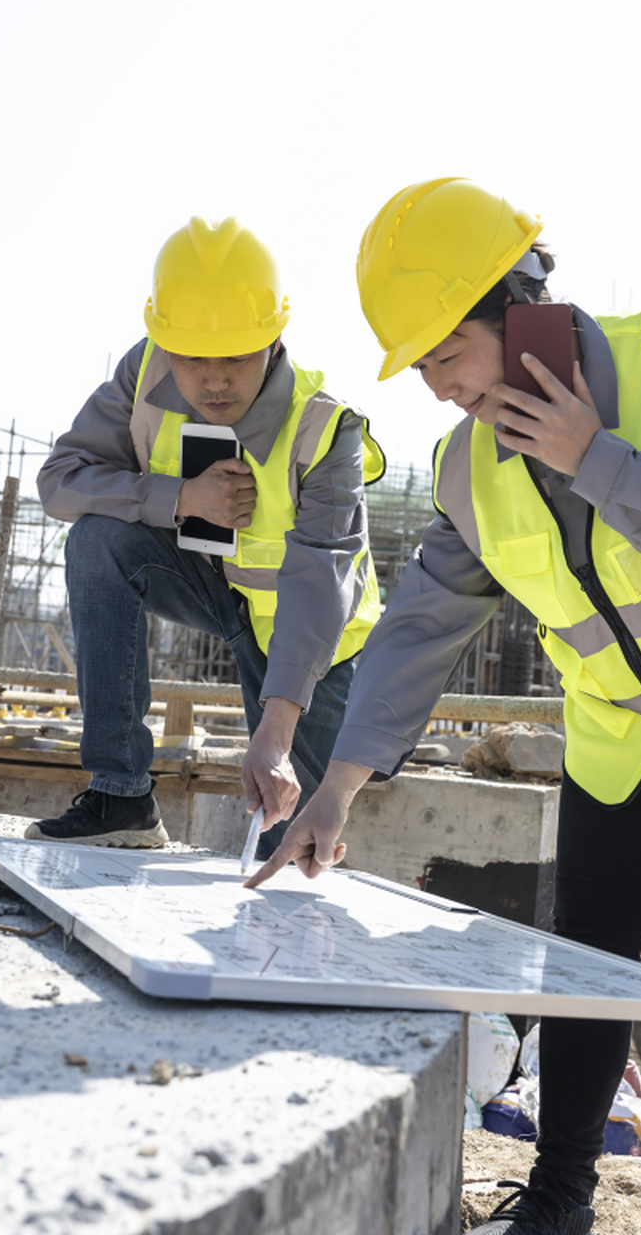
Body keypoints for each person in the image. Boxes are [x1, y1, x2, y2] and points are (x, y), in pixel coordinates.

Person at [247, 180, 641, 1235]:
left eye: (447, 356)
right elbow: (416, 626)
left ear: (516, 305)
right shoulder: (467, 469)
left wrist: (595, 459)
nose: (441, 391)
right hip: (626, 712)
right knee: (587, 952)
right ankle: (560, 1196)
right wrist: (337, 788)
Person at [34, 216, 384, 850]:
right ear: (165, 341)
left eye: (237, 358)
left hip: (309, 637)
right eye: (193, 358)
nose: (215, 379)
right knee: (96, 545)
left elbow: (320, 584)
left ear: (276, 339)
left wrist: (275, 733)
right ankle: (120, 798)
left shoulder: (325, 431)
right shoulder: (143, 376)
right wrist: (179, 498)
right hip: (209, 583)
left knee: (295, 843)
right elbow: (61, 480)